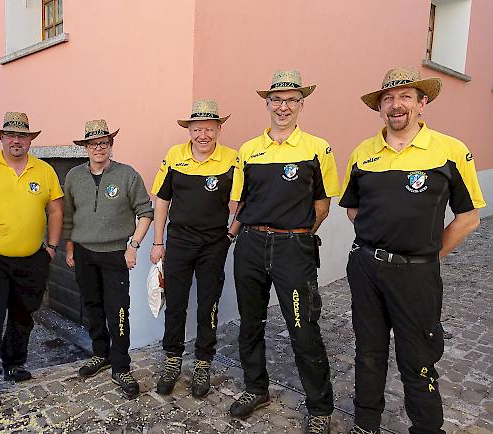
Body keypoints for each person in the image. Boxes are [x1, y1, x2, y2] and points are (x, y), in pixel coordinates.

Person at [339, 66, 486, 434]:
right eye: (388, 98)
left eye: (406, 97)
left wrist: (427, 258)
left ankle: (426, 427)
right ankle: (365, 423)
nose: (396, 105)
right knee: (369, 352)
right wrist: (378, 243)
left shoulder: (450, 151)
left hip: (417, 275)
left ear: (422, 104)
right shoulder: (363, 152)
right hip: (366, 268)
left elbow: (468, 218)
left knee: (417, 358)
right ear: (380, 107)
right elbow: (353, 208)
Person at [228, 70, 338, 433]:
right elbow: (241, 203)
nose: (283, 106)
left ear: (301, 104)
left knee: (303, 328)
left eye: (291, 99)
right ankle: (255, 389)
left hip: (294, 246)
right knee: (250, 323)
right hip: (251, 246)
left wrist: (301, 235)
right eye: (276, 99)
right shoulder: (248, 150)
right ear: (267, 104)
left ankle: (320, 408)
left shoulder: (318, 148)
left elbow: (322, 204)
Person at [0, 112, 64, 408]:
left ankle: (15, 363)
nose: (16, 140)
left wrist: (52, 247)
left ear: (30, 140)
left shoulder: (44, 170)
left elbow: (55, 210)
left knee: (23, 314)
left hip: (32, 258)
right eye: (10, 135)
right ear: (1, 138)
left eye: (22, 136)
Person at [150, 100, 238, 398]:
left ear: (218, 129)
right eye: (197, 129)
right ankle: (172, 359)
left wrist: (231, 235)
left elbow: (245, 201)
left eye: (209, 129)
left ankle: (203, 362)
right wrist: (158, 242)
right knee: (175, 303)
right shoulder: (175, 156)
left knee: (208, 305)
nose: (203, 135)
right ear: (189, 130)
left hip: (214, 244)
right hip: (178, 242)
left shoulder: (233, 159)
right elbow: (162, 200)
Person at [64, 119, 153, 399]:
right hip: (83, 252)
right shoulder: (73, 176)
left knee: (118, 311)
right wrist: (69, 249)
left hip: (116, 254)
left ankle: (121, 366)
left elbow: (146, 212)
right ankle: (100, 354)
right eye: (93, 144)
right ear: (85, 148)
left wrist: (134, 245)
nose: (98, 148)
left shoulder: (128, 175)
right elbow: (67, 216)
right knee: (92, 306)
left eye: (103, 143)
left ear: (111, 146)